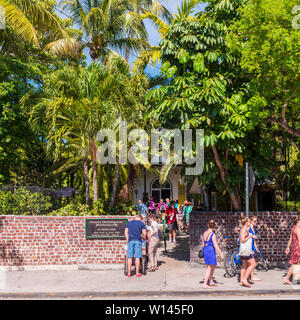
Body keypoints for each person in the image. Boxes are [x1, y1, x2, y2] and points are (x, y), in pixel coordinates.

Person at [202, 220, 224, 289]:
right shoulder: (212, 234)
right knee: (209, 268)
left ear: (208, 225)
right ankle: (205, 284)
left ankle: (210, 281)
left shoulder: (204, 233)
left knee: (213, 266)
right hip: (210, 251)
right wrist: (221, 254)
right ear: (214, 226)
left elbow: (203, 244)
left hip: (206, 250)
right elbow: (216, 245)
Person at [239, 217, 257, 287]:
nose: (250, 223)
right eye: (249, 222)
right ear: (246, 223)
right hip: (246, 251)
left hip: (245, 251)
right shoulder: (243, 230)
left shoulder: (246, 229)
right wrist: (249, 236)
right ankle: (244, 279)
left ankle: (241, 281)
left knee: (244, 266)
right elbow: (242, 240)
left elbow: (249, 235)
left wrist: (252, 236)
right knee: (253, 264)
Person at [283, 217, 300, 285]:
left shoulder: (293, 228)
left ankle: (293, 279)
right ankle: (287, 279)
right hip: (298, 248)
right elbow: (299, 241)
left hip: (294, 248)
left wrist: (288, 247)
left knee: (296, 263)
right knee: (295, 264)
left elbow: (290, 239)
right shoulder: (298, 229)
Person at [249, 216, 261, 282]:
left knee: (250, 263)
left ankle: (251, 276)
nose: (256, 222)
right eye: (254, 221)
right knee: (252, 263)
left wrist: (256, 247)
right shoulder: (249, 227)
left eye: (256, 221)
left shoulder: (253, 228)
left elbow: (254, 239)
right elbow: (248, 235)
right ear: (251, 221)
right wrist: (253, 236)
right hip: (249, 246)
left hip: (252, 246)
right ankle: (252, 277)